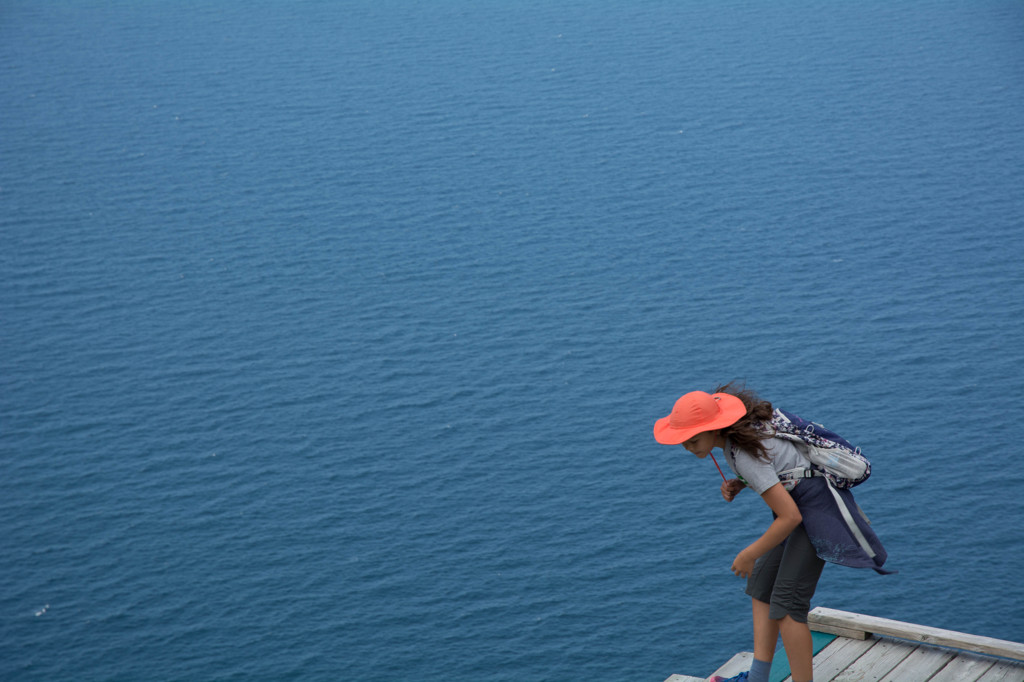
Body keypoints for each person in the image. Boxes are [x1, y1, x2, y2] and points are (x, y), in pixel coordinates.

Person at [653, 383, 891, 682]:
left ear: (715, 429)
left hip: (814, 512)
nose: (687, 446)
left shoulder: (743, 453)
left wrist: (748, 553)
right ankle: (757, 678)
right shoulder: (745, 433)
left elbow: (790, 517)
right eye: (683, 441)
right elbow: (782, 464)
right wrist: (743, 482)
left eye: (692, 439)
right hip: (802, 503)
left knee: (789, 606)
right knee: (762, 584)